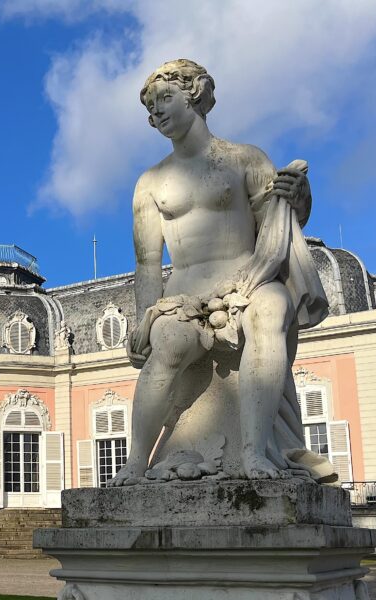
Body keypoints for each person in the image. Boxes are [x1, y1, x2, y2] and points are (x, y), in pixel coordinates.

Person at [112, 59, 332, 486]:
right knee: (170, 344)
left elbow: (281, 223)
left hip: (245, 283)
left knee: (270, 311)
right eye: (149, 107)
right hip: (183, 295)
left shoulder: (244, 158)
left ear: (195, 93)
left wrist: (301, 197)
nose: (155, 112)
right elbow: (147, 263)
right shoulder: (151, 181)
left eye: (164, 99)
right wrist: (145, 318)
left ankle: (253, 453)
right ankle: (136, 462)